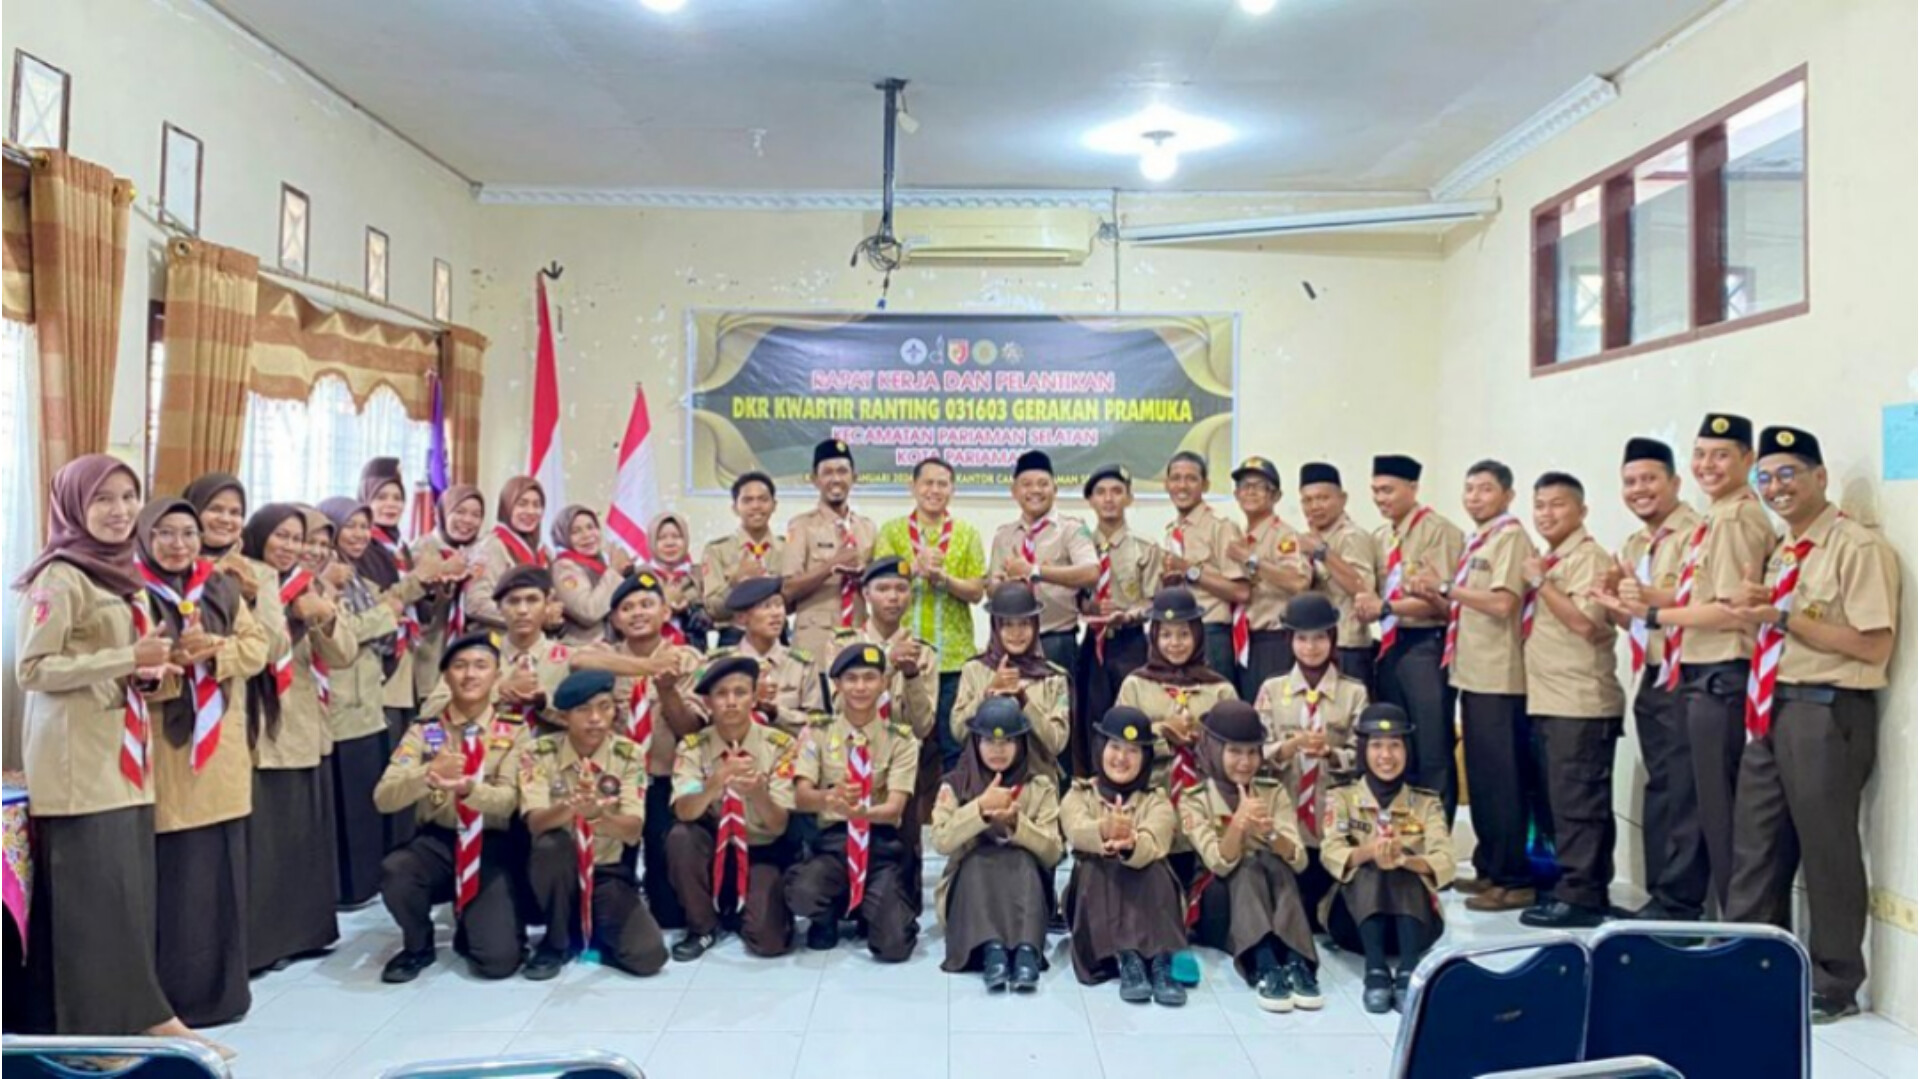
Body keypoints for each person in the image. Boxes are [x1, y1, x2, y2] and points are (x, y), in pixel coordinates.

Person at [15, 457, 222, 1051]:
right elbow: (33, 669)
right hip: (78, 768)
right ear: (74, 506)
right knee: (93, 908)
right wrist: (127, 659)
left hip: (127, 761)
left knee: (128, 901)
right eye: (103, 498)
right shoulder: (60, 577)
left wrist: (152, 673)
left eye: (129, 496)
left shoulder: (121, 575)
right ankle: (92, 1038)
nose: (120, 510)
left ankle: (146, 1017)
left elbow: (131, 663)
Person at [1720, 426, 1898, 1024]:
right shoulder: (1783, 550)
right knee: (1756, 846)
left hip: (1826, 710)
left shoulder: (1856, 547)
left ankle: (1834, 982)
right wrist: (1755, 613)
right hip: (1771, 705)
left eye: (1788, 474)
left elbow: (1873, 645)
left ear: (1820, 477)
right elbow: (1773, 626)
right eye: (1766, 477)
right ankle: (1748, 964)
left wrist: (1782, 617)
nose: (1776, 487)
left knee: (1827, 848)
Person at [1605, 413, 1777, 916]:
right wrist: (1637, 600)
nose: (1708, 465)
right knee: (1693, 799)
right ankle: (1710, 916)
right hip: (1694, 671)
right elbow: (1698, 595)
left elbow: (1729, 608)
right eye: (1701, 454)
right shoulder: (1716, 517)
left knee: (1716, 812)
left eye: (1721, 455)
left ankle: (1728, 925)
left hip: (1721, 672)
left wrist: (1653, 613)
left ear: (1748, 460)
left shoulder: (1735, 518)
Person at [137, 498, 271, 1026]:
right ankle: (174, 1001)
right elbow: (127, 672)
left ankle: (224, 994)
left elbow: (257, 646)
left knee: (221, 875)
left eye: (188, 534)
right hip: (167, 752)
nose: (179, 545)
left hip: (220, 751)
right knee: (177, 880)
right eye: (165, 533)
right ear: (145, 537)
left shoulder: (219, 585)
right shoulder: (132, 590)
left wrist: (216, 649)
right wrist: (169, 663)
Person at [1407, 459, 1539, 911]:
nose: (1474, 497)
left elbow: (1502, 604)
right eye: (1469, 489)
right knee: (1482, 780)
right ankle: (1489, 868)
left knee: (1503, 779)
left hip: (1500, 677)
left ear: (1507, 495)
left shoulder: (1511, 537)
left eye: (1485, 489)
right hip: (1473, 672)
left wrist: (1446, 586)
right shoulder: (1480, 539)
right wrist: (1434, 594)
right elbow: (1465, 606)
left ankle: (1513, 878)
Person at [373, 633, 530, 982]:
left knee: (498, 963)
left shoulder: (514, 732)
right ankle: (418, 944)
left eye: (480, 666)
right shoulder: (425, 732)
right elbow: (384, 798)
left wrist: (471, 790)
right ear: (445, 675)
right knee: (397, 870)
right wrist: (428, 774)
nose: (470, 675)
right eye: (459, 666)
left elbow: (509, 800)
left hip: (490, 843)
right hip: (438, 840)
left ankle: (473, 925)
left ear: (497, 676)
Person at [241, 503, 354, 974]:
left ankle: (304, 933)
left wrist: (323, 615)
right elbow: (265, 647)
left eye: (297, 538)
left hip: (304, 721)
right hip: (256, 721)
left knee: (299, 838)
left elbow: (344, 654)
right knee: (264, 841)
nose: (290, 546)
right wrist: (271, 594)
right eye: (281, 536)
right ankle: (263, 943)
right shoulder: (243, 577)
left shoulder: (310, 584)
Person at [1603, 438, 1705, 921]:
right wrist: (1615, 606)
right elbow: (1639, 621)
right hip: (1651, 671)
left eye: (1649, 479)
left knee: (1684, 790)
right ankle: (1659, 895)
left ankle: (1682, 902)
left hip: (1688, 673)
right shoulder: (1635, 544)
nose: (1639, 489)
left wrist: (1644, 597)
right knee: (1660, 785)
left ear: (1675, 482)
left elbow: (1697, 602)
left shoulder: (1696, 534)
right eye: (1630, 482)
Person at [1517, 472, 1623, 929]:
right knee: (1562, 803)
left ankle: (1582, 896)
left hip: (1580, 702)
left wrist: (1541, 584)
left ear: (1582, 510)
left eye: (1557, 504)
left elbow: (1585, 623)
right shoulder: (1553, 559)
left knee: (1579, 804)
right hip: (1549, 699)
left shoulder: (1589, 558)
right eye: (1540, 505)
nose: (1546, 513)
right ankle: (1578, 888)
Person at [570, 570, 704, 928]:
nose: (638, 613)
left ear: (665, 612)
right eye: (627, 608)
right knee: (614, 882)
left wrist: (667, 690)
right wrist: (646, 667)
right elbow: (577, 660)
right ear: (615, 620)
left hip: (663, 781)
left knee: (668, 911)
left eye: (647, 604)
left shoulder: (687, 658)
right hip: (615, 785)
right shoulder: (605, 654)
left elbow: (691, 730)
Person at [518, 669, 667, 980]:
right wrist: (570, 807)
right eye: (583, 710)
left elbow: (632, 831)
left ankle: (586, 932)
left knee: (648, 956)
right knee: (551, 844)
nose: (596, 719)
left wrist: (598, 817)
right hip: (555, 873)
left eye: (604, 707)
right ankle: (555, 942)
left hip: (605, 872)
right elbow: (535, 824)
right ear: (564, 717)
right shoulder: (538, 753)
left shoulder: (628, 755)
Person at [1181, 700, 1322, 1013]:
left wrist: (1271, 834)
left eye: (1252, 752)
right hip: (1216, 905)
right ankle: (1264, 963)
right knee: (1245, 867)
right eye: (1234, 752)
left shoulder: (1272, 792)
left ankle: (1297, 961)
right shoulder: (1195, 799)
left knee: (1276, 864)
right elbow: (1218, 863)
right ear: (1215, 750)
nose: (1245, 763)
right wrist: (1238, 825)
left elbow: (1299, 861)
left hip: (1269, 899)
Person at [785, 643, 922, 961]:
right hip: (832, 845)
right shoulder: (817, 733)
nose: (860, 687)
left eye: (869, 678)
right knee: (802, 893)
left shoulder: (901, 740)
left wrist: (861, 812)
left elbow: (895, 809)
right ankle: (826, 916)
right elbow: (801, 797)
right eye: (851, 678)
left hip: (879, 848)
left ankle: (869, 910)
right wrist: (830, 798)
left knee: (894, 947)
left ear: (884, 683)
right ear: (837, 684)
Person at [1321, 705, 1455, 1014]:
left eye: (1395, 745)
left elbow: (1445, 859)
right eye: (1377, 745)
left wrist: (1404, 860)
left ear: (1407, 750)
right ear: (1364, 750)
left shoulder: (1426, 802)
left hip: (1418, 926)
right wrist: (1370, 852)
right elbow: (1331, 853)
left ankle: (1409, 969)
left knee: (1400, 864)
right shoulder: (1342, 797)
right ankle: (1376, 970)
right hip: (1353, 925)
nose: (1386, 755)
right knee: (1371, 866)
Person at [1354, 454, 1465, 820]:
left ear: (1413, 488)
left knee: (1432, 745)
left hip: (1426, 645)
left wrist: (1386, 607)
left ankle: (1436, 835)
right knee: (1398, 745)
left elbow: (1443, 603)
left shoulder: (1438, 531)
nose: (1380, 498)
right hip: (1390, 647)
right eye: (1375, 491)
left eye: (1388, 490)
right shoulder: (1382, 536)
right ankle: (1404, 828)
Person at [668, 655, 802, 960]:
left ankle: (741, 908)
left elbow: (779, 825)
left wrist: (757, 793)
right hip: (711, 849)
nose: (731, 702)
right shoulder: (693, 747)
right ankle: (702, 927)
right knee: (681, 836)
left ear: (754, 699)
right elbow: (685, 811)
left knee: (769, 943)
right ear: (707, 702)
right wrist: (715, 782)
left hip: (760, 850)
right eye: (721, 694)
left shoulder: (780, 746)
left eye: (740, 693)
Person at [932, 696, 1063, 992]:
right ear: (975, 743)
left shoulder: (1039, 786)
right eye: (989, 741)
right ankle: (991, 949)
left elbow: (1053, 852)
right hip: (968, 890)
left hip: (1024, 887)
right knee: (978, 861)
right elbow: (940, 841)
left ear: (1021, 744)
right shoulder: (956, 784)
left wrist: (1017, 825)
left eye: (1007, 742)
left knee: (1023, 861)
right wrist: (979, 810)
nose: (998, 749)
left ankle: (1027, 950)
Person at [1254, 593, 1369, 928]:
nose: (1310, 647)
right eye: (1301, 639)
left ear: (1332, 639)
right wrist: (1287, 748)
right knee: (1289, 908)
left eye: (1319, 638)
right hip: (1286, 817)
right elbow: (1255, 755)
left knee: (1332, 913)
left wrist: (1331, 754)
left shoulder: (1354, 693)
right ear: (1290, 641)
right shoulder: (1271, 690)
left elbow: (1365, 758)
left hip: (1332, 819)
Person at [316, 497, 409, 905]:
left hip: (368, 699)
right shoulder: (322, 577)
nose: (358, 534)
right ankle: (349, 889)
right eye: (349, 526)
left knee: (365, 802)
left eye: (363, 526)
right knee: (347, 804)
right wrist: (386, 613)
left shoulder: (357, 577)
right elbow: (344, 631)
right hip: (340, 704)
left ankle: (366, 885)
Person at [1062, 706, 1185, 1006]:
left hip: (1146, 894)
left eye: (1132, 751)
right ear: (1101, 749)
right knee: (1096, 866)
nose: (1121, 758)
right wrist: (1104, 830)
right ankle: (1127, 958)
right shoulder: (1080, 794)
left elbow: (1157, 840)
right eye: (1115, 747)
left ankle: (1160, 960)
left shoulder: (1156, 800)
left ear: (1145, 758)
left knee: (1153, 867)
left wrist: (1131, 844)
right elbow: (1075, 831)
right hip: (1094, 898)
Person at [873, 455, 988, 766]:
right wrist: (913, 568)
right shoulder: (892, 532)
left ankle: (951, 800)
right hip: (906, 654)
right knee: (903, 744)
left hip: (953, 658)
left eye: (942, 484)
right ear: (913, 486)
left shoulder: (967, 533)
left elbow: (977, 591)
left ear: (952, 489)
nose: (934, 490)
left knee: (954, 745)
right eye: (927, 483)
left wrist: (943, 579)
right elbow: (880, 584)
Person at [357, 460, 458, 766]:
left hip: (408, 664)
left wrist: (438, 584)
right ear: (365, 499)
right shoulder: (363, 547)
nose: (391, 505)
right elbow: (379, 606)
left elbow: (419, 611)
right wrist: (420, 578)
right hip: (380, 665)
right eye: (381, 497)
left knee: (409, 751)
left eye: (397, 498)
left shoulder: (400, 547)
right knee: (384, 757)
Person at [832, 557, 940, 826]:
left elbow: (923, 727)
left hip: (902, 766)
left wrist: (912, 676)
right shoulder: (842, 645)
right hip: (849, 759)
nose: (893, 597)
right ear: (866, 594)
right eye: (883, 589)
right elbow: (838, 707)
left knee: (904, 843)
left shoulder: (923, 652)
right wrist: (888, 664)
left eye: (901, 589)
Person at [986, 450, 1098, 706]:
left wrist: (1034, 571)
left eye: (1042, 484)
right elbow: (990, 589)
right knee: (1008, 712)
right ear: (1014, 491)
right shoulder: (1004, 535)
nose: (1035, 490)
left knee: (1058, 718)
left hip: (1055, 640)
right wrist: (1003, 587)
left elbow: (1091, 572)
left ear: (1055, 489)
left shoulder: (1071, 529)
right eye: (1026, 484)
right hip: (1010, 641)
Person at [1075, 464, 1163, 776]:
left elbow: (1154, 600)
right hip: (1092, 644)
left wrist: (1128, 615)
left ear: (1129, 498)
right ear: (1090, 500)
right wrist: (1088, 605)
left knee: (1130, 717)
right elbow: (1074, 596)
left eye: (1116, 491)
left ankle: (1132, 782)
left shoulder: (1145, 546)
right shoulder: (1079, 546)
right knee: (1089, 720)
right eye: (1100, 493)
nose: (1109, 499)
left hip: (1130, 643)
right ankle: (1094, 785)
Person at [1116, 587, 1239, 798]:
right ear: (1154, 637)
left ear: (1198, 636)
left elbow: (1237, 748)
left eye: (1184, 634)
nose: (1175, 643)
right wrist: (1162, 731)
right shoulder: (1135, 685)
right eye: (1166, 635)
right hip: (1149, 795)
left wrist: (1202, 740)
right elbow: (1120, 745)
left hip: (1209, 798)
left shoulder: (1220, 689)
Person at [422, 565, 573, 730]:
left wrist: (544, 703)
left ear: (547, 605)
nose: (522, 610)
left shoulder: (570, 659)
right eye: (513, 601)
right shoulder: (473, 657)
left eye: (532, 600)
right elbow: (429, 711)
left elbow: (587, 720)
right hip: (484, 745)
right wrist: (498, 692)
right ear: (499, 608)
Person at [951, 582, 1072, 781]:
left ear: (1035, 625)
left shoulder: (1053, 677)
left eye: (1024, 624)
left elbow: (1056, 744)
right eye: (1007, 625)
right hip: (980, 784)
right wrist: (988, 692)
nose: (1016, 633)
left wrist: (1025, 703)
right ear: (995, 627)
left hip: (1037, 785)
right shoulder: (974, 670)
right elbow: (958, 732)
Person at [1224, 455, 1312, 700]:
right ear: (1236, 494)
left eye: (1260, 486)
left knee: (1270, 709)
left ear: (1276, 496)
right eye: (1245, 486)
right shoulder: (1239, 537)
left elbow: (1299, 582)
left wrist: (1252, 560)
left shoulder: (1284, 536)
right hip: (1242, 640)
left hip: (1273, 641)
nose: (1251, 492)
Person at [780, 439, 877, 660]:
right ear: (815, 479)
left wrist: (865, 575)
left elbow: (876, 586)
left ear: (854, 477)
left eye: (842, 471)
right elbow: (788, 589)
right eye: (827, 472)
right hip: (815, 640)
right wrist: (831, 566)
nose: (836, 479)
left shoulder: (867, 528)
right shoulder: (801, 526)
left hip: (858, 633)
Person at [1160, 451, 1250, 678]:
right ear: (1166, 484)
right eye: (1176, 478)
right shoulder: (1171, 531)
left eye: (1191, 479)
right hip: (1176, 638)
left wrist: (1190, 571)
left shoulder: (1221, 527)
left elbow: (1241, 592)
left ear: (1205, 485)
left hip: (1210, 635)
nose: (1182, 486)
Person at [1297, 462, 1381, 697]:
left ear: (1342, 499)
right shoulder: (1310, 538)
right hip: (1317, 646)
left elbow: (1364, 589)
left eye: (1323, 498)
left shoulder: (1351, 536)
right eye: (1307, 500)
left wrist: (1322, 553)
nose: (1314, 506)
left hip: (1347, 647)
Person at [710, 575, 825, 733]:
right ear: (742, 618)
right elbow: (706, 721)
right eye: (766, 606)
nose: (776, 613)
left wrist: (777, 713)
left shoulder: (802, 664)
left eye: (779, 605)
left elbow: (818, 725)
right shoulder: (719, 665)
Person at [411, 484, 486, 698]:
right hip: (428, 659)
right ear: (443, 513)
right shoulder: (421, 550)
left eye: (476, 515)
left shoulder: (481, 553)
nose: (467, 520)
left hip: (471, 665)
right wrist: (443, 573)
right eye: (460, 512)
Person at [700, 471, 786, 649]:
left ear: (774, 505)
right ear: (735, 507)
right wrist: (735, 584)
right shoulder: (717, 550)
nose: (756, 506)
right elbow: (713, 609)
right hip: (732, 638)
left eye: (763, 499)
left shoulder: (787, 549)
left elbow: (795, 599)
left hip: (777, 637)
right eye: (747, 500)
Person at [463, 475, 552, 633]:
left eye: (537, 505)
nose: (530, 511)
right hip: (497, 640)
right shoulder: (491, 546)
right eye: (522, 504)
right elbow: (475, 603)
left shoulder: (544, 552)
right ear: (507, 506)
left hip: (532, 640)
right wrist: (526, 617)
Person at [550, 504, 634, 646]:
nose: (587, 535)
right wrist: (614, 571)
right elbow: (588, 611)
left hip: (612, 647)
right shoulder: (564, 567)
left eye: (591, 527)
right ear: (563, 536)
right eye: (576, 531)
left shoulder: (601, 562)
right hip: (582, 649)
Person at [646, 511, 707, 650]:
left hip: (695, 649)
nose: (670, 543)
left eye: (676, 536)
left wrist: (688, 609)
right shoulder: (640, 576)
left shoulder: (699, 574)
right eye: (661, 538)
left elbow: (713, 612)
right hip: (649, 651)